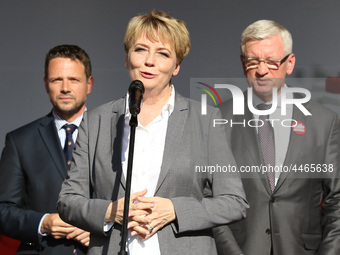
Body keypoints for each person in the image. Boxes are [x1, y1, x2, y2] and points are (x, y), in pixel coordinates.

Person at [57, 10, 249, 255]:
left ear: (176, 66)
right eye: (140, 49)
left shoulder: (205, 119)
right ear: (127, 58)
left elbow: (234, 202)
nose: (150, 61)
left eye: (163, 54)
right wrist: (108, 212)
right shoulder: (96, 120)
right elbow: (68, 200)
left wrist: (175, 210)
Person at [213, 20, 340, 255]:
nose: (262, 70)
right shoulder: (218, 119)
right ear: (243, 63)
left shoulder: (324, 122)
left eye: (272, 62)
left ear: (289, 63)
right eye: (253, 61)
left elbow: (337, 201)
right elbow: (209, 196)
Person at [0, 44, 94, 254]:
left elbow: (129, 204)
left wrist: (100, 229)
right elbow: (3, 210)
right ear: (45, 84)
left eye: (74, 80)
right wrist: (43, 222)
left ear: (89, 84)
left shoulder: (114, 135)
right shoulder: (20, 141)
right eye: (56, 80)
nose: (65, 88)